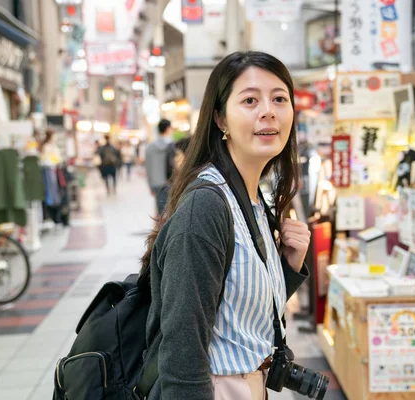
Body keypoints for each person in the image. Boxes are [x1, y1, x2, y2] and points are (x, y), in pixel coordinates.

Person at [140, 51, 310, 399]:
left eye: (279, 98)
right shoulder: (206, 208)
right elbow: (182, 354)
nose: (269, 110)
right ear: (220, 119)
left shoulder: (252, 198)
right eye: (250, 100)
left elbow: (239, 317)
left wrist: (288, 268)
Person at [145, 119, 173, 214]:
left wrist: (150, 185)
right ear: (168, 129)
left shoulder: (150, 147)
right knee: (171, 210)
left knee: (160, 212)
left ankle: (161, 228)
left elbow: (148, 167)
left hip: (156, 183)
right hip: (171, 182)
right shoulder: (172, 145)